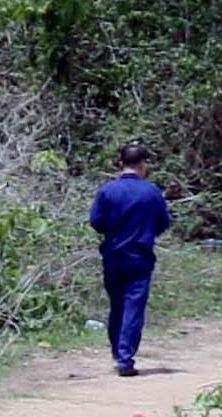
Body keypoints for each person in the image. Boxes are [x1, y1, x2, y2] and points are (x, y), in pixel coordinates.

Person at [89, 143, 172, 377]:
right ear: (142, 165)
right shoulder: (152, 192)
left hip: (113, 256)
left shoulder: (108, 191)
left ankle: (118, 353)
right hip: (140, 257)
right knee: (133, 308)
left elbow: (96, 222)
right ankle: (125, 359)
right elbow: (163, 223)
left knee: (117, 306)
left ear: (121, 163)